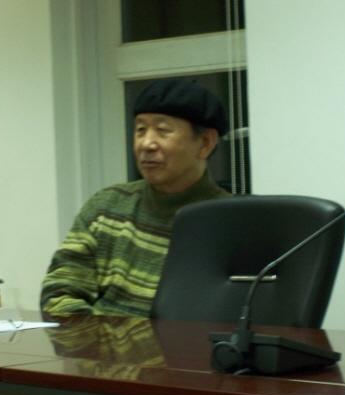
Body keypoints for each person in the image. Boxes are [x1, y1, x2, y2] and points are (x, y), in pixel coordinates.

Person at [41, 78, 231, 317]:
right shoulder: (106, 207)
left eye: (163, 130)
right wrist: (102, 340)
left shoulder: (230, 223)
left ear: (205, 142)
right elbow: (58, 294)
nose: (146, 144)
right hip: (95, 341)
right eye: (140, 130)